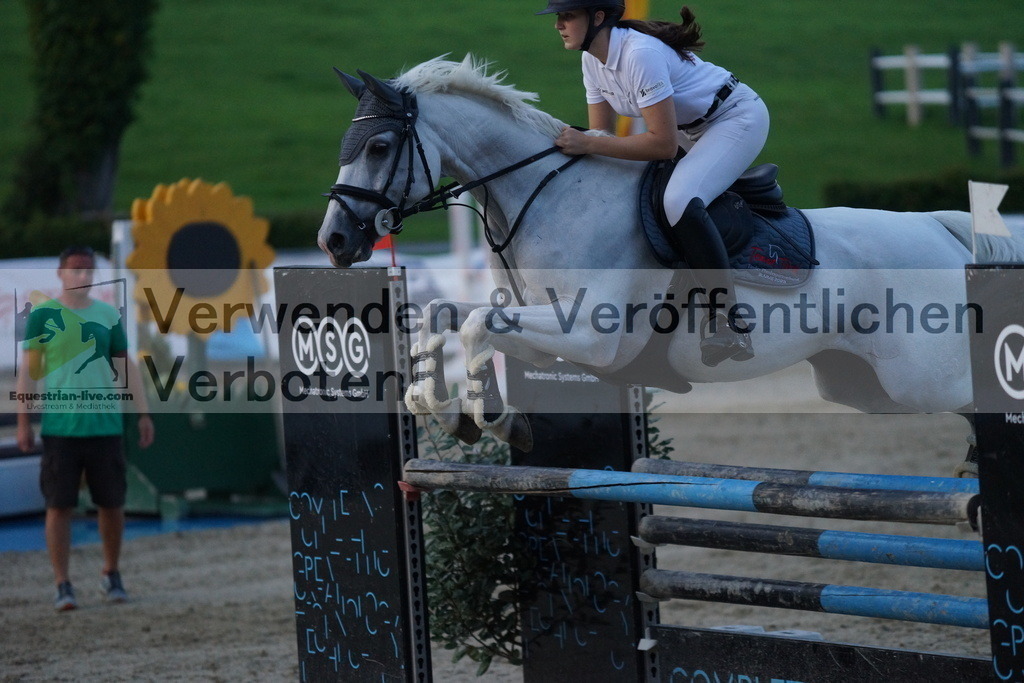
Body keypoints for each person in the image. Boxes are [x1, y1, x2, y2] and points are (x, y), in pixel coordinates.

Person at [539, 1, 770, 366]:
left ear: (598, 18)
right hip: (687, 129)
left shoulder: (639, 54)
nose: (558, 25)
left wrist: (587, 143)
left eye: (567, 15)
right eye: (558, 17)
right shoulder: (591, 60)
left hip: (734, 119)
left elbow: (660, 145)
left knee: (678, 200)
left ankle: (729, 321)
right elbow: (603, 135)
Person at [16, 245, 155, 611]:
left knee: (112, 504)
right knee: (58, 505)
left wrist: (143, 413)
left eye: (88, 270)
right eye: (75, 270)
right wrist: (23, 422)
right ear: (61, 274)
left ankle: (111, 572)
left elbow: (126, 368)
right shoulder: (43, 316)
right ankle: (62, 582)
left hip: (104, 426)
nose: (82, 276)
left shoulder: (108, 315)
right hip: (61, 428)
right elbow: (28, 373)